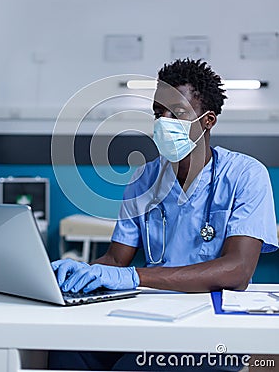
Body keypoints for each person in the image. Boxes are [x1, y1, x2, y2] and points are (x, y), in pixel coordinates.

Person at [48, 58, 278, 371]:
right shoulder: (144, 177)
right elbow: (117, 260)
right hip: (150, 312)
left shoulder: (246, 174)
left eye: (178, 113)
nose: (163, 121)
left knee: (131, 368)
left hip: (213, 326)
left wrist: (134, 277)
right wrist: (80, 273)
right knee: (65, 353)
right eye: (159, 112)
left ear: (208, 120)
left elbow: (237, 270)